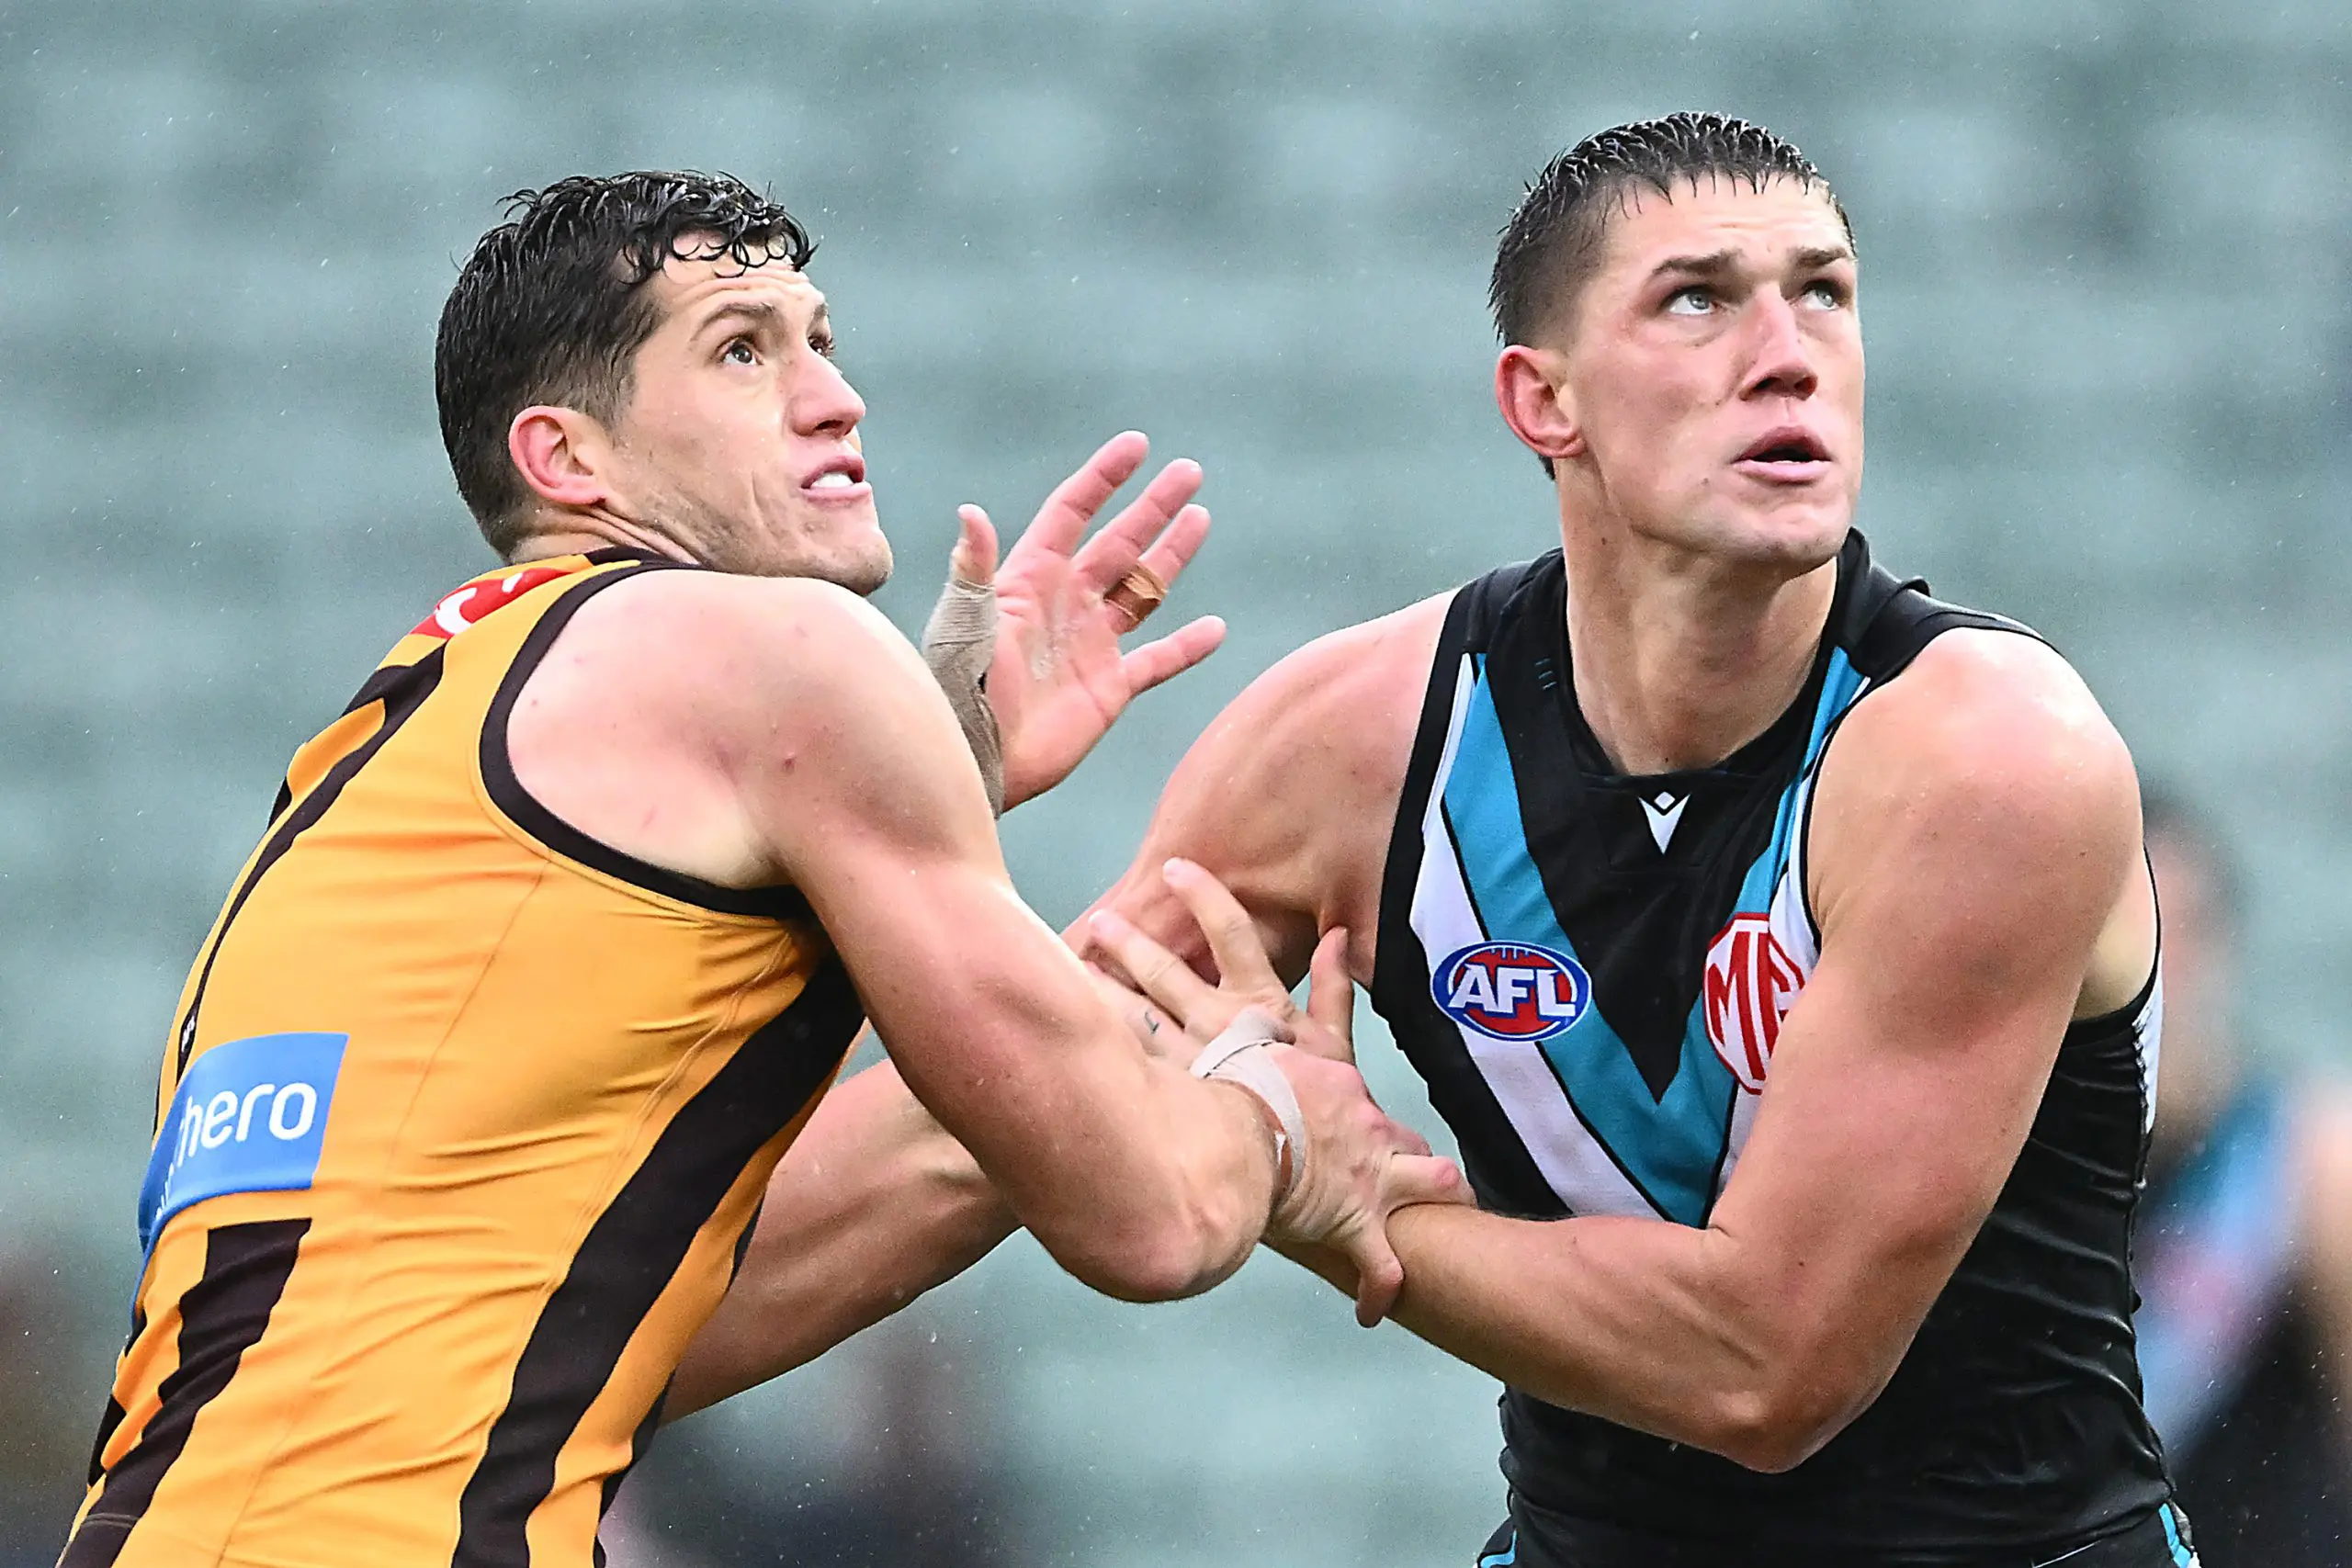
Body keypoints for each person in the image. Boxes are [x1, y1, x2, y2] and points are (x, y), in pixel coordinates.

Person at [61, 171, 1459, 1568]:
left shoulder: (374, 760)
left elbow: (636, 1304)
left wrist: (946, 768)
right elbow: (1150, 1215)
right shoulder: (777, 652)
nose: (836, 395)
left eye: (821, 338)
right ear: (567, 459)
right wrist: (1273, 1126)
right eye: (742, 348)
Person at [1062, 112, 2187, 1564]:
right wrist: (934, 769)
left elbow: (1765, 1367)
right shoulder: (1354, 744)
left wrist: (1322, 1188)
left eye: (1825, 292)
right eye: (1700, 298)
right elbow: (1010, 1114)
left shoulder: (1987, 755)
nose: (1788, 351)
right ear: (1545, 400)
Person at [2133, 791, 2352, 1563]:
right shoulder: (1997, 1174)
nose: (2157, 974)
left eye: (2180, 935)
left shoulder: (2308, 1160)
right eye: (2132, 940)